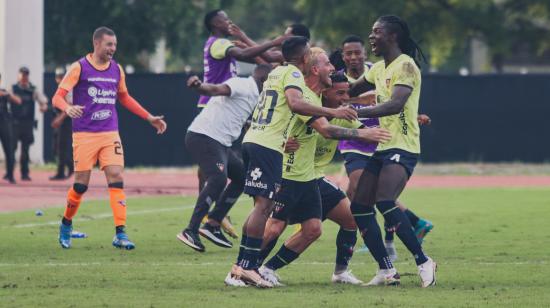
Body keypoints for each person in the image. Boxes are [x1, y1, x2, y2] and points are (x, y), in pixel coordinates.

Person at [225, 36, 358, 288]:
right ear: (305, 58)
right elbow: (296, 104)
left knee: (267, 212)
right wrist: (334, 112)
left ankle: (246, 267)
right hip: (268, 145)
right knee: (264, 212)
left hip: (258, 141)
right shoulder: (294, 75)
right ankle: (246, 267)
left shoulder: (276, 73)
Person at [258, 71, 387, 286]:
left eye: (348, 93)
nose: (345, 98)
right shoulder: (307, 109)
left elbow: (370, 131)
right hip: (290, 176)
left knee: (348, 220)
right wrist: (282, 144)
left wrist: (407, 126)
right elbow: (276, 133)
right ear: (325, 93)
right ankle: (246, 268)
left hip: (314, 179)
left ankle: (339, 272)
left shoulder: (343, 114)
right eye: (340, 93)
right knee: (274, 228)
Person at [53, 26, 167, 250]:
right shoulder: (79, 67)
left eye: (114, 45)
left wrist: (149, 117)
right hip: (84, 134)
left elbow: (124, 98)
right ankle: (66, 223)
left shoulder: (117, 69)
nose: (113, 49)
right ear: (96, 44)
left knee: (116, 177)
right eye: (109, 44)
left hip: (109, 133)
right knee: (80, 185)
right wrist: (67, 108)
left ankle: (120, 233)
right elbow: (58, 96)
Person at [351, 15, 437, 287]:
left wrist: (356, 111)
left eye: (376, 32)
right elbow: (352, 88)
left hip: (404, 145)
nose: (371, 36)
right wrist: (329, 82)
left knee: (386, 201)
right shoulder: (378, 68)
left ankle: (424, 261)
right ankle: (386, 270)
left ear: (392, 36)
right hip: (383, 145)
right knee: (359, 206)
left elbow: (395, 105)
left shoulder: (406, 66)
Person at [177, 64, 273, 252]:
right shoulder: (242, 85)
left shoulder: (257, 96)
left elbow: (244, 121)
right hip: (204, 136)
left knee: (242, 177)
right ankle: (191, 230)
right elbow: (215, 89)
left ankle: (213, 223)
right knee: (218, 179)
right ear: (264, 80)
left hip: (219, 143)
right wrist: (198, 86)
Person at [11, 66, 48, 181]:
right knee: (11, 148)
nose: (24, 76)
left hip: (27, 123)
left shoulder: (33, 89)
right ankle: (9, 172)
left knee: (25, 150)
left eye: (26, 74)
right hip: (14, 123)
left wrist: (43, 107)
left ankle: (25, 173)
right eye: (22, 74)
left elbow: (43, 101)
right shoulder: (13, 88)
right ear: (18, 75)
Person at [50, 67, 74, 180]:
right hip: (60, 121)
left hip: (66, 121)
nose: (60, 79)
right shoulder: (60, 88)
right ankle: (70, 166)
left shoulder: (68, 89)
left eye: (62, 76)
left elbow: (69, 106)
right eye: (58, 76)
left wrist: (59, 119)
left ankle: (62, 172)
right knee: (57, 147)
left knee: (62, 147)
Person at [0, 73, 21, 184]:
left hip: (4, 122)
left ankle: (10, 175)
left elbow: (18, 101)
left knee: (9, 149)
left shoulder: (4, 91)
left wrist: (8, 95)